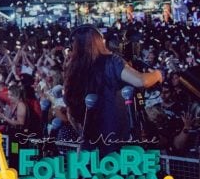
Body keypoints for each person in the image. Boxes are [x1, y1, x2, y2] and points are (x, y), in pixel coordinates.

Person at [63, 24, 163, 154]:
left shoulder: (72, 70)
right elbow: (141, 81)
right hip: (117, 145)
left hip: (89, 148)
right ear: (100, 41)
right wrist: (157, 74)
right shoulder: (111, 61)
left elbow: (70, 111)